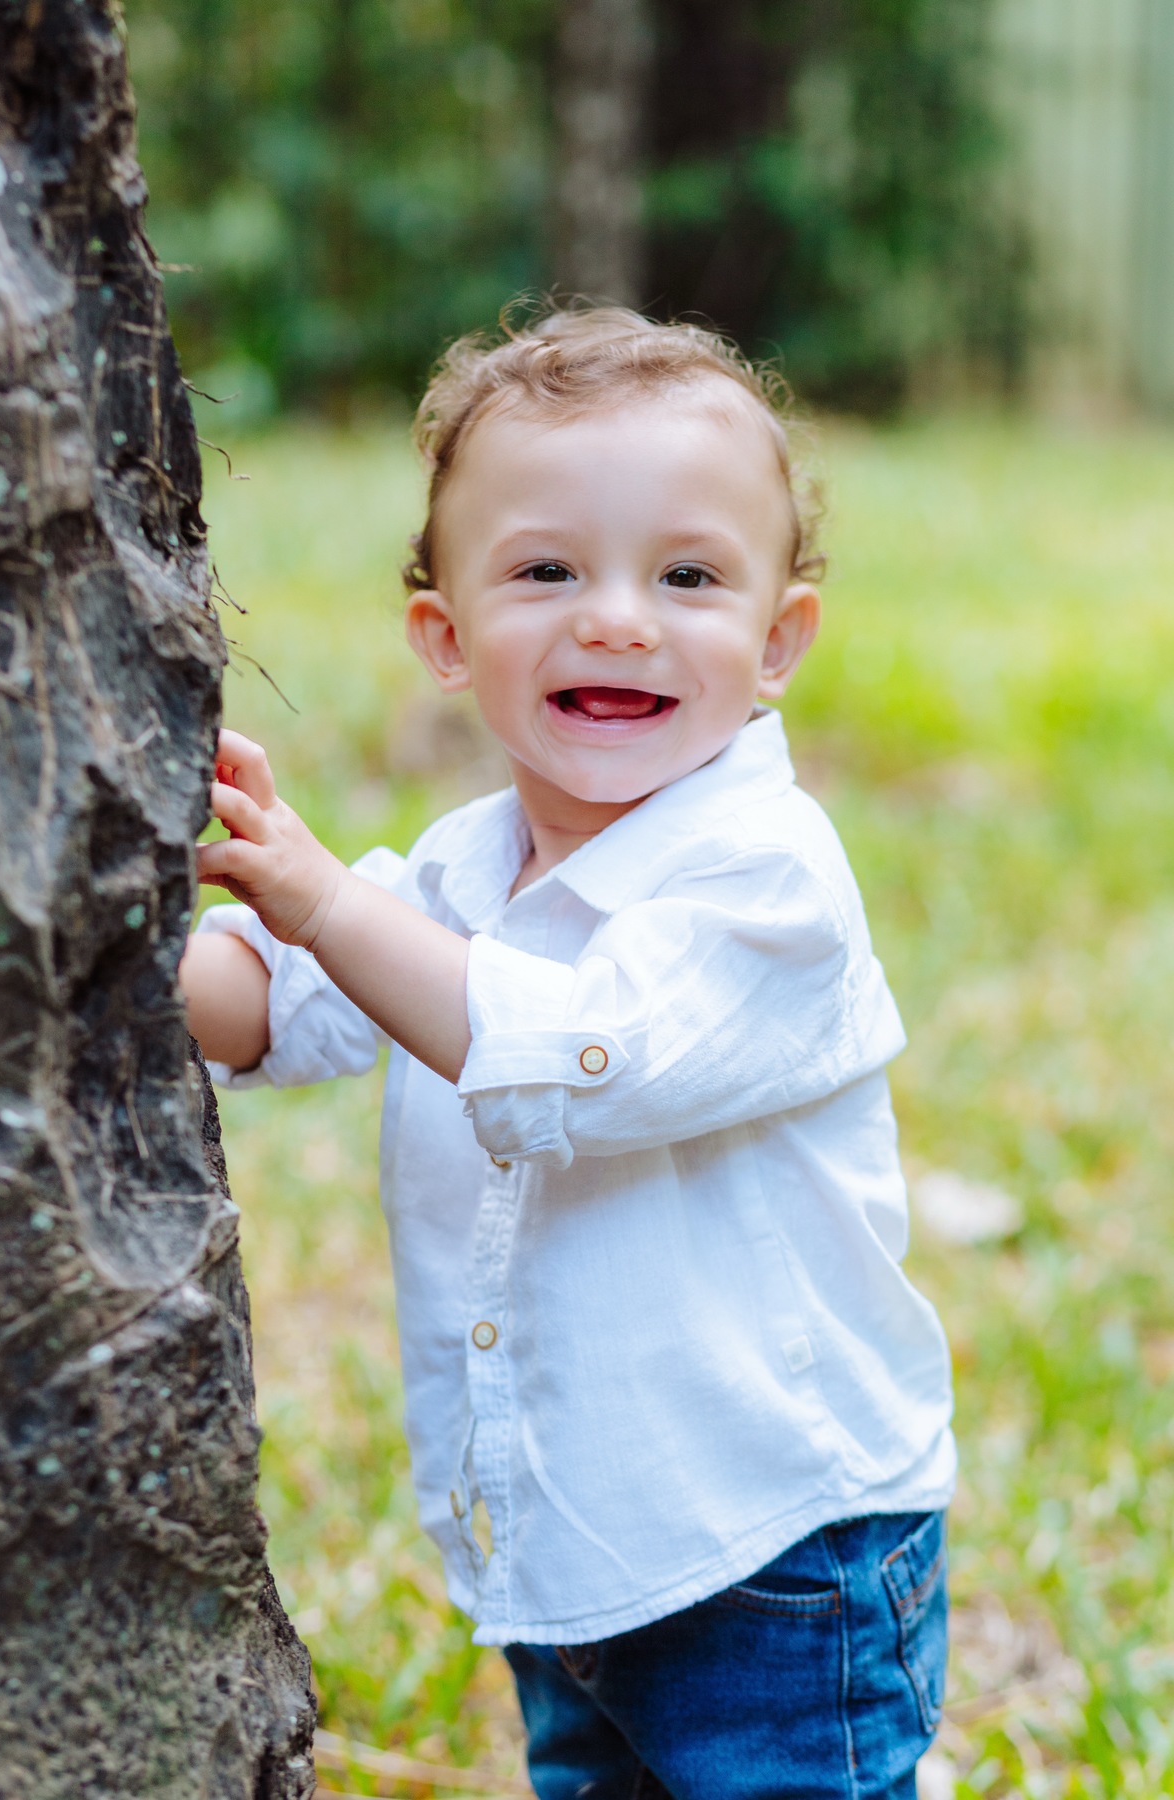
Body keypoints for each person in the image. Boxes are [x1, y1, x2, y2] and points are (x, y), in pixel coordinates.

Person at [180, 306, 955, 1799]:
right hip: (573, 1541)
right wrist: (157, 953)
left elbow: (564, 1053)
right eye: (546, 571)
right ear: (446, 637)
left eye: (688, 576)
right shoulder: (466, 874)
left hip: (777, 1560)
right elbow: (274, 1005)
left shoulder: (770, 879)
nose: (617, 618)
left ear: (780, 639)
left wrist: (326, 900)